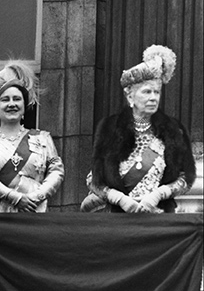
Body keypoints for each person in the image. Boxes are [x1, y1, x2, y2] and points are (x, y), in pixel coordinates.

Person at [81, 45, 196, 213]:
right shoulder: (109, 129)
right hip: (118, 218)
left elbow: (186, 178)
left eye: (156, 92)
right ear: (130, 97)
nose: (153, 98)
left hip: (159, 217)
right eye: (147, 92)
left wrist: (159, 194)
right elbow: (94, 181)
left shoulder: (174, 131)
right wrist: (119, 199)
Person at [0, 60, 64, 213]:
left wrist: (37, 196)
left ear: (24, 105)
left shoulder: (43, 138)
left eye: (17, 99)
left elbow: (56, 171)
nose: (11, 104)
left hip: (35, 212)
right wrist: (16, 198)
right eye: (5, 99)